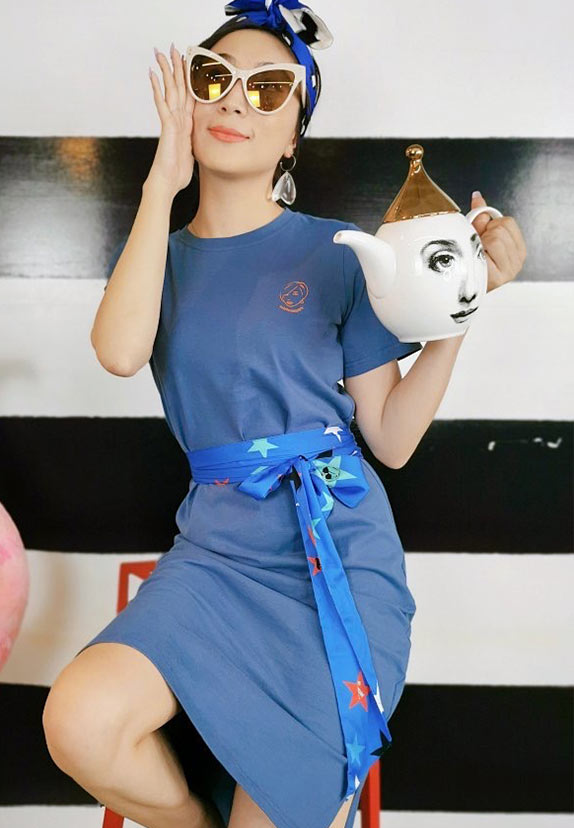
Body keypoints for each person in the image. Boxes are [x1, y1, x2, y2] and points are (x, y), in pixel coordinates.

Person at [41, 3, 527, 827]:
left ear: (294, 134)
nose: (236, 101)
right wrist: (162, 181)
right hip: (215, 561)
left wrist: (461, 310)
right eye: (213, 79)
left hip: (335, 559)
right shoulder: (157, 253)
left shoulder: (340, 254)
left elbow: (392, 438)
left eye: (269, 89)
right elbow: (120, 353)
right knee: (80, 721)